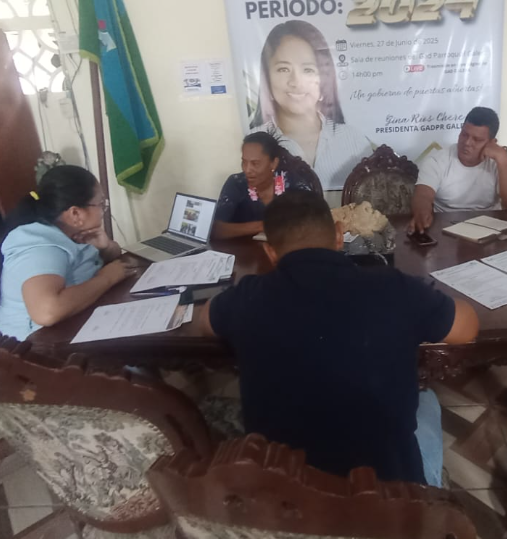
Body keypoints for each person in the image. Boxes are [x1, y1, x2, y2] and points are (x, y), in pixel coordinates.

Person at [194, 191, 480, 485]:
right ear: (339, 235)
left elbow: (204, 321)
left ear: (270, 252)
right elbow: (467, 327)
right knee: (427, 400)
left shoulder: (247, 297)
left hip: (287, 497)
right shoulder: (395, 287)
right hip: (388, 500)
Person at [0, 166, 134, 340]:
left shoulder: (69, 232)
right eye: (100, 204)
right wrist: (107, 278)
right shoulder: (40, 245)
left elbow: (99, 264)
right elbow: (47, 312)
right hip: (29, 347)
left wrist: (105, 248)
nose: (102, 211)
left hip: (72, 326)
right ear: (75, 213)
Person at [250, 20, 372, 193]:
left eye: (308, 70)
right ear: (266, 78)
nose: (296, 82)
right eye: (283, 69)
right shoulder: (253, 143)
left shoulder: (354, 140)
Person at [409, 107, 507, 233]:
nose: (467, 143)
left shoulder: (502, 161)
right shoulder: (438, 160)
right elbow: (423, 195)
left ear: (492, 142)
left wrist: (502, 159)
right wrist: (422, 212)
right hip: (446, 228)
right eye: (464, 134)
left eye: (477, 139)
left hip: (490, 228)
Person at [212, 131, 318, 239]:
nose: (247, 170)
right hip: (242, 249)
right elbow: (215, 228)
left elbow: (314, 226)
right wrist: (261, 226)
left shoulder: (294, 185)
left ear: (273, 163)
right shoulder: (236, 183)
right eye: (244, 162)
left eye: (255, 163)